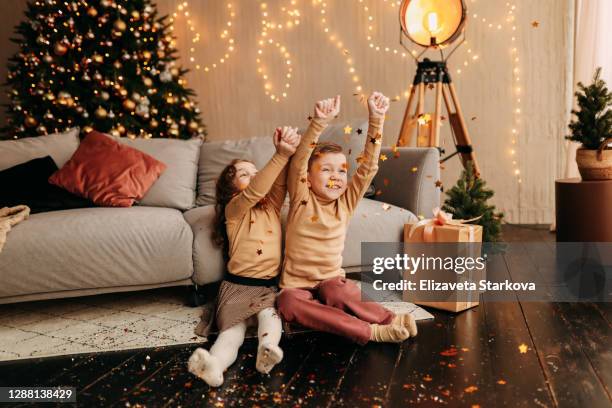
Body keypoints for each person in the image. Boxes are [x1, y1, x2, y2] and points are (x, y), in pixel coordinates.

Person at [276, 93, 418, 345]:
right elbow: (298, 162)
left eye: (341, 170)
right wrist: (319, 122)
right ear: (308, 178)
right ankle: (370, 331)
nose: (336, 176)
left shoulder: (346, 202)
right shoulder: (301, 198)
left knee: (338, 290)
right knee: (286, 303)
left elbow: (368, 168)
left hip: (330, 281)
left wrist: (377, 119)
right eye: (327, 169)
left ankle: (388, 320)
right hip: (296, 286)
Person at [188, 126, 300, 387]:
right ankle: (214, 366)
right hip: (237, 288)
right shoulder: (234, 209)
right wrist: (280, 155)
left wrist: (285, 152)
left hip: (266, 289)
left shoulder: (272, 206)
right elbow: (254, 192)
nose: (253, 176)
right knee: (230, 335)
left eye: (255, 173)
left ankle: (267, 351)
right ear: (231, 187)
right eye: (244, 174)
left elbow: (277, 182)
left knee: (271, 322)